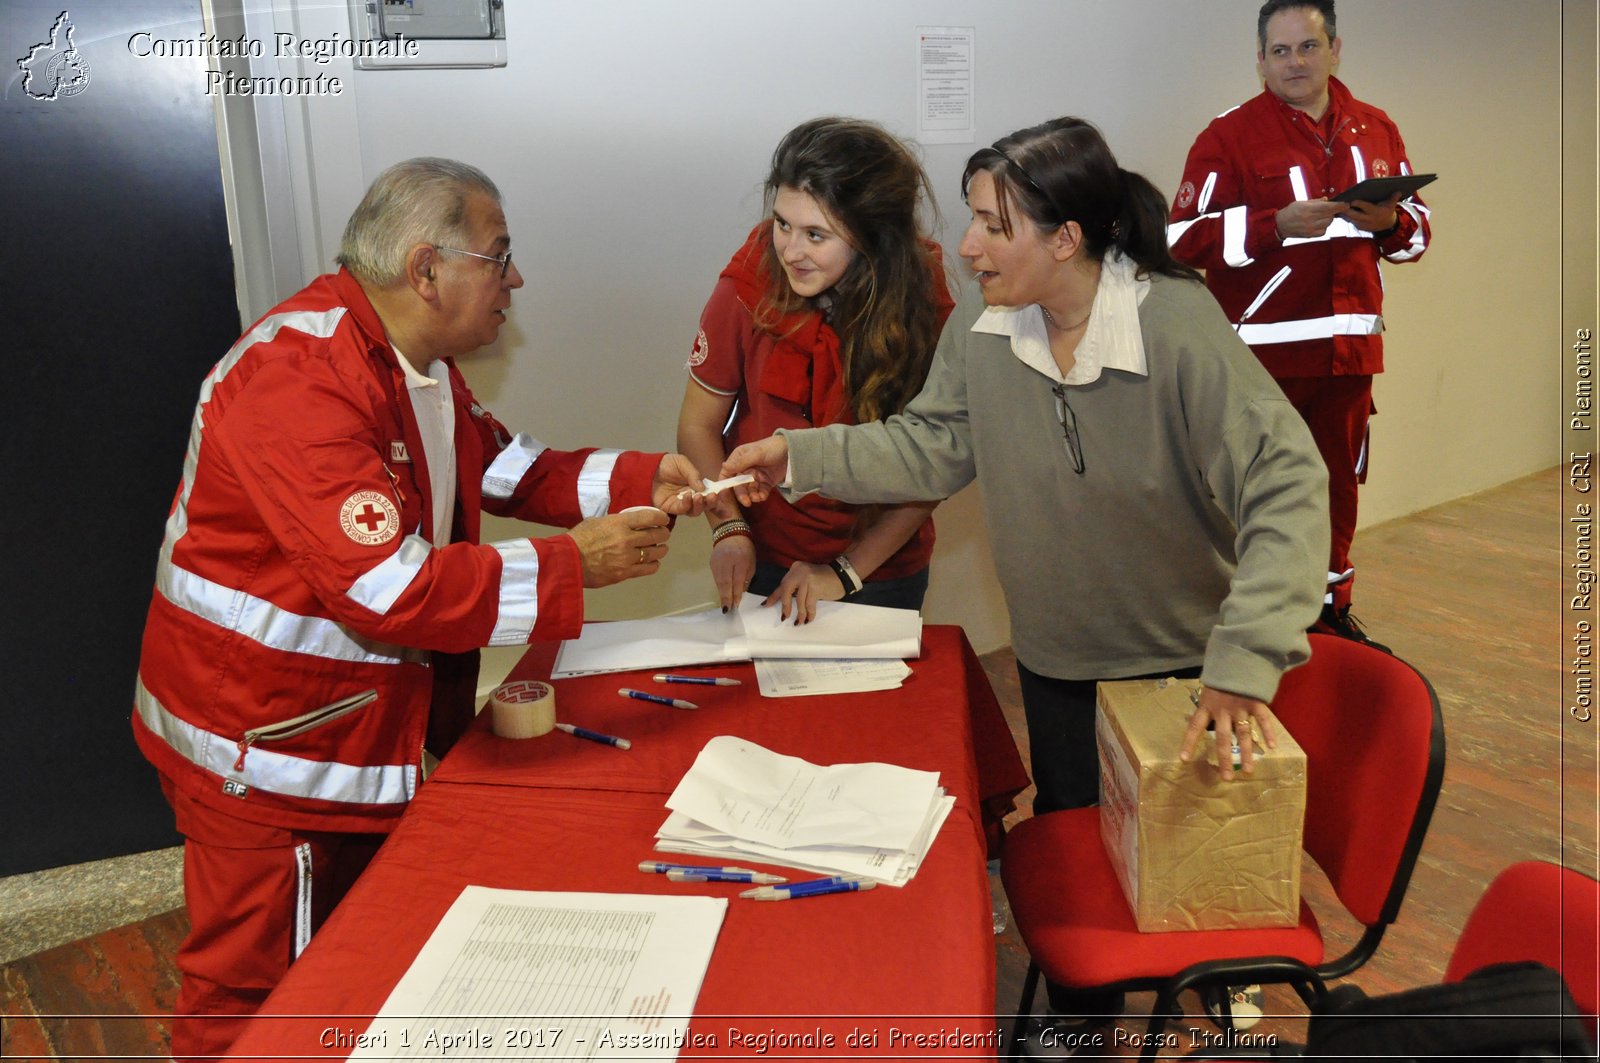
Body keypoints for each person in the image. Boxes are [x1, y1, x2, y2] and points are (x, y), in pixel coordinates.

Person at [131, 157, 707, 1060]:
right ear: (427, 269)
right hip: (269, 748)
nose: (515, 279)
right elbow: (387, 588)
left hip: (342, 733)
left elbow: (505, 468)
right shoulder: (303, 379)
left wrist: (642, 478)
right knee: (252, 994)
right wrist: (571, 568)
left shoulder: (408, 359)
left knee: (354, 950)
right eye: (501, 255)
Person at [721, 117, 1329, 814]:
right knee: (1074, 843)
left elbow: (1288, 485)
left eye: (992, 225)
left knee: (1169, 893)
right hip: (1054, 665)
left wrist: (1246, 658)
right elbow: (930, 445)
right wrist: (797, 456)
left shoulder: (1174, 324)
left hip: (1181, 672)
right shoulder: (985, 324)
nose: (967, 246)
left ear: (1064, 239)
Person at [1167, 0, 1431, 652]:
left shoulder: (1376, 129)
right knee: (1255, 496)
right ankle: (1252, 627)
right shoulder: (1227, 136)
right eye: (1280, 51)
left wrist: (1389, 223)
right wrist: (1273, 227)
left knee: (1337, 489)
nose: (1294, 62)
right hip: (1261, 365)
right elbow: (1179, 238)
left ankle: (1329, 614)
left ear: (1334, 49)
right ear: (1260, 60)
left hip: (1350, 357)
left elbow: (1418, 234)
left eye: (1307, 47)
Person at [677, 117, 955, 623]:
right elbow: (697, 424)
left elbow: (934, 462)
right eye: (782, 224)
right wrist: (729, 527)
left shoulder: (921, 301)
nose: (790, 250)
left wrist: (845, 574)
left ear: (874, 240)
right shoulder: (748, 284)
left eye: (816, 234)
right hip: (766, 554)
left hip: (881, 565)